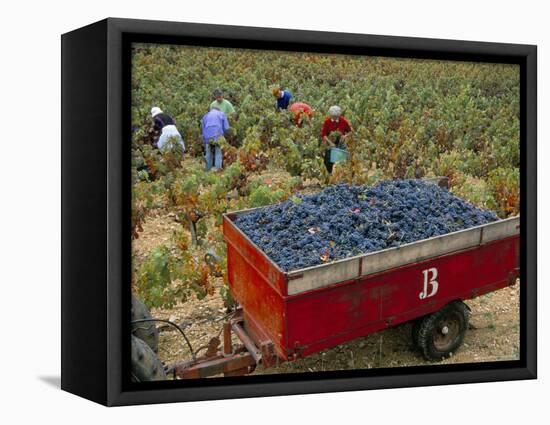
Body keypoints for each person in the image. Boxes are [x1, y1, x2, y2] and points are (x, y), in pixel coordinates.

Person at [320, 105, 353, 174]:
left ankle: (341, 175)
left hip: (341, 143)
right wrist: (330, 143)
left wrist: (345, 136)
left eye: (336, 117)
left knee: (342, 160)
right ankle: (329, 175)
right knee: (328, 160)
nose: (334, 118)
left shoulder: (343, 121)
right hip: (330, 143)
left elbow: (350, 131)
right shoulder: (327, 122)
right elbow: (324, 134)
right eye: (333, 116)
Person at [201, 105, 230, 171]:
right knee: (218, 152)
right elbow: (226, 127)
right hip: (218, 134)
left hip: (207, 136)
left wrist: (204, 140)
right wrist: (224, 136)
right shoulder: (221, 114)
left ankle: (207, 170)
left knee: (208, 152)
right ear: (218, 110)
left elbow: (202, 128)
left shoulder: (206, 115)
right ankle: (217, 170)